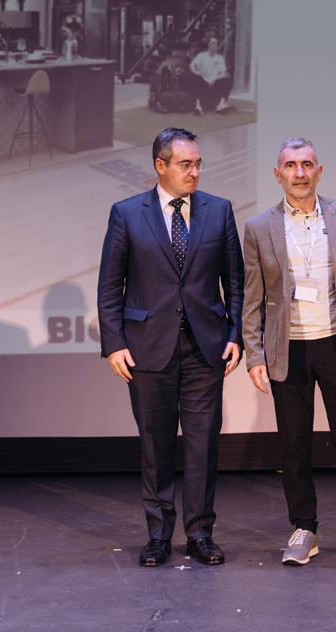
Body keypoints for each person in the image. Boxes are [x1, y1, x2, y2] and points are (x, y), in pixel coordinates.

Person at [97, 127, 244, 568]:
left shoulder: (219, 211)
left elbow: (233, 281)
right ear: (160, 166)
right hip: (146, 348)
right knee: (155, 445)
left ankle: (200, 533)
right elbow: (110, 285)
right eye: (185, 164)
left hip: (206, 348)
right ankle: (158, 535)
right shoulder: (126, 213)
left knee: (203, 446)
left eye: (198, 163)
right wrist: (113, 344)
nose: (195, 172)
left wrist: (234, 333)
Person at [242, 137, 336, 567]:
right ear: (278, 174)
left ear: (319, 171)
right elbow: (253, 298)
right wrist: (254, 355)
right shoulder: (257, 227)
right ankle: (303, 529)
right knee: (294, 446)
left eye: (307, 164)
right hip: (288, 348)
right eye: (291, 165)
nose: (300, 173)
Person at [187, 36, 233, 115]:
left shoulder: (220, 58)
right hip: (203, 83)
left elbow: (223, 72)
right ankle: (198, 106)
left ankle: (220, 105)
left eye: (216, 43)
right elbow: (192, 65)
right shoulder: (201, 55)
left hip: (215, 84)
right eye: (213, 43)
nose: (215, 45)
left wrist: (214, 79)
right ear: (208, 45)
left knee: (228, 78)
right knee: (194, 77)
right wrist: (196, 72)